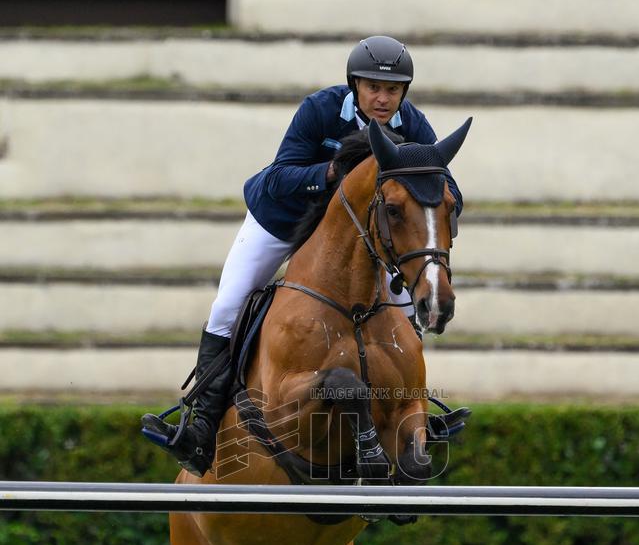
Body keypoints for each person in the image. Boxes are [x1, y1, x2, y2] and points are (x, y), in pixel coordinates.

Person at [141, 35, 463, 476]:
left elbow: (446, 190)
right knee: (228, 304)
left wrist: (442, 208)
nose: (383, 99)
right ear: (354, 85)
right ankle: (200, 427)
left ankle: (415, 418)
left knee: (406, 309)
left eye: (393, 90)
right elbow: (279, 177)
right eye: (373, 88)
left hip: (357, 236)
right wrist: (333, 171)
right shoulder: (320, 110)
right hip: (283, 220)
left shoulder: (415, 128)